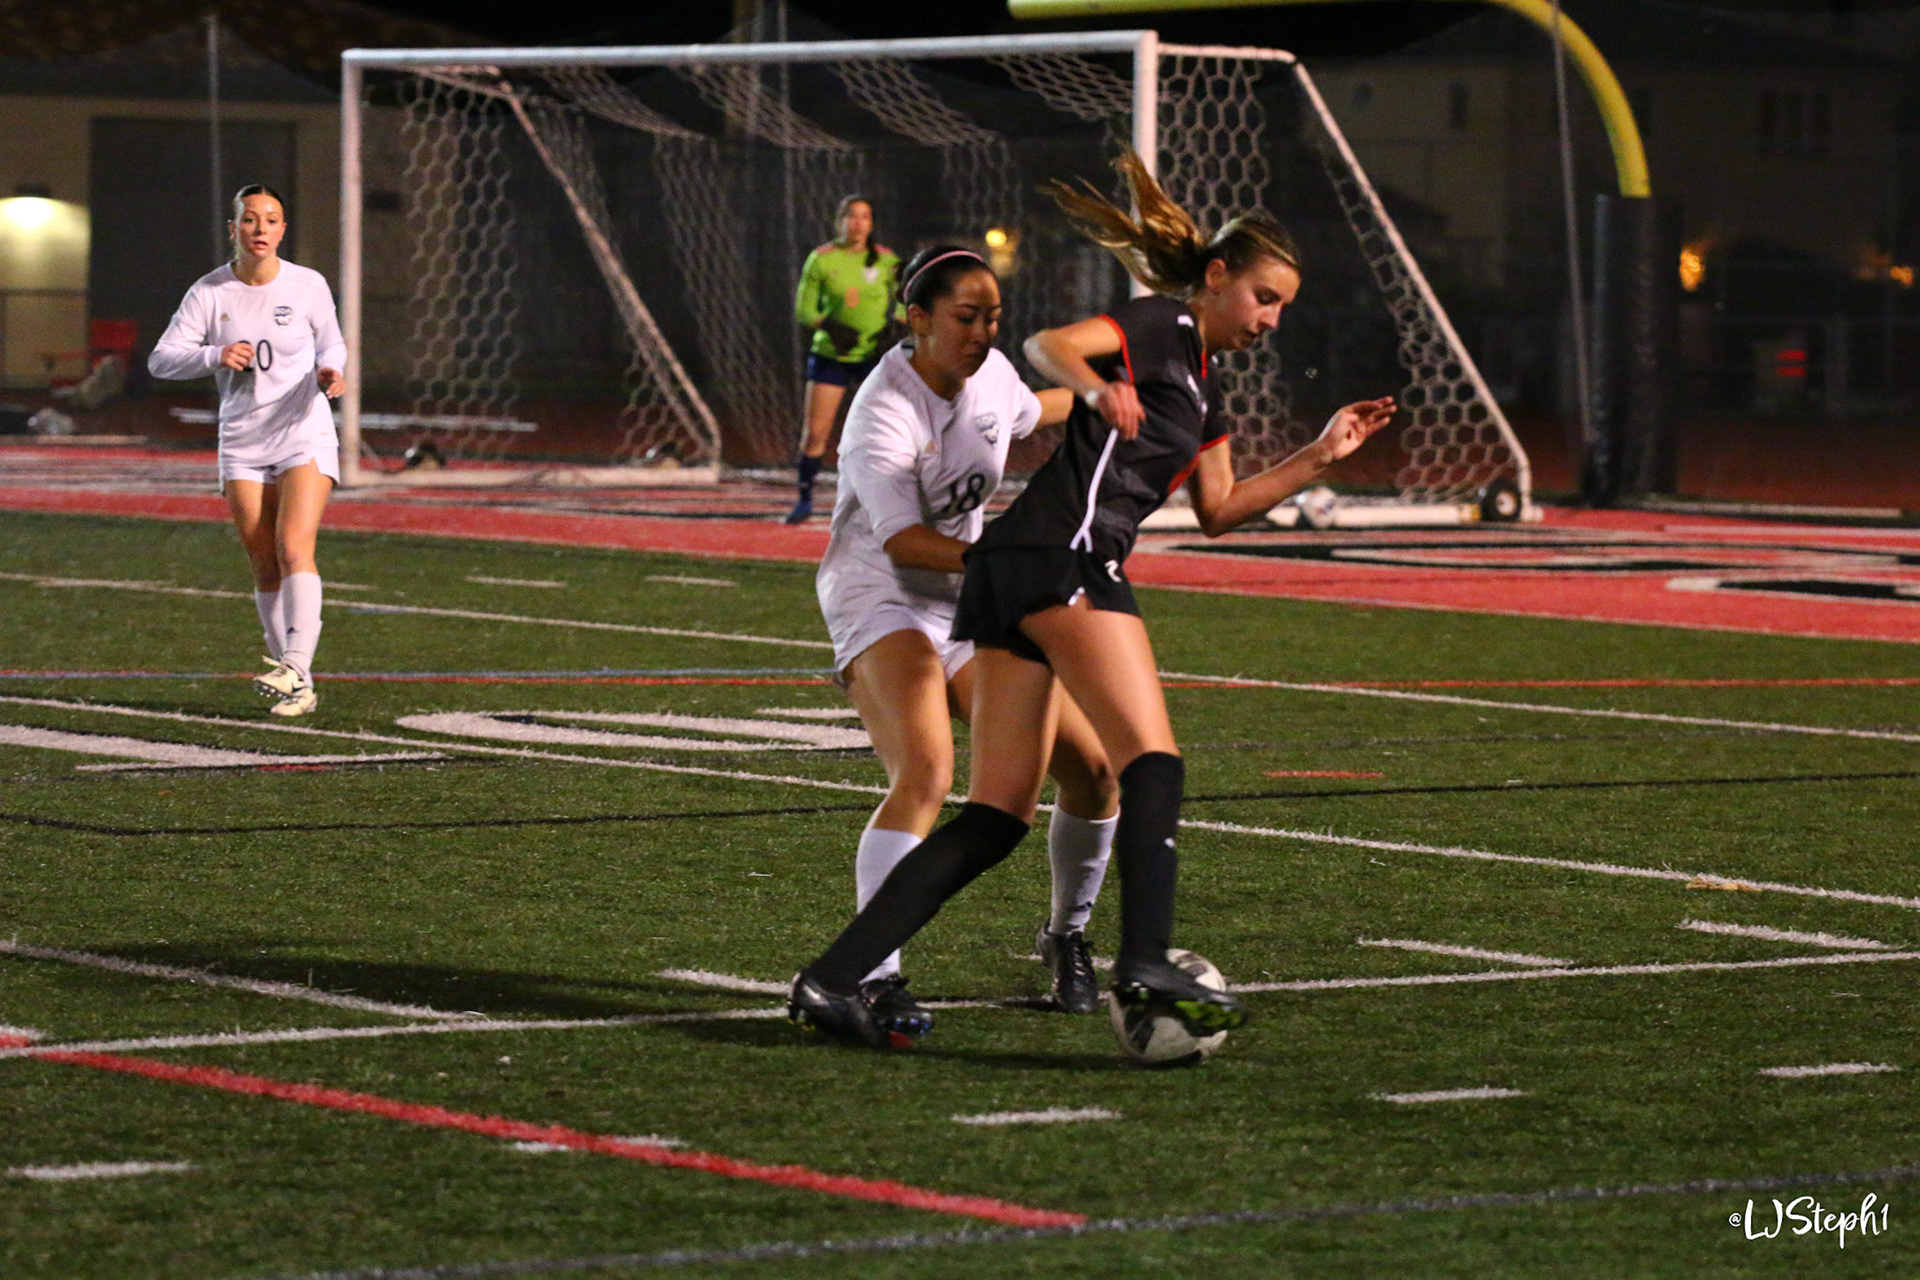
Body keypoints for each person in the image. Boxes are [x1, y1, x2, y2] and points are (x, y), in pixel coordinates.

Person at [788, 150, 1396, 1050]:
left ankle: (835, 976)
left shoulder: (1200, 385)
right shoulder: (1160, 324)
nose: (1270, 320)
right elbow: (1053, 346)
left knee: (1002, 814)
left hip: (1006, 574)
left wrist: (1318, 456)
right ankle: (1143, 964)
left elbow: (1220, 510)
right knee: (1152, 760)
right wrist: (1096, 387)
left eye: (1282, 309)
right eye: (1263, 298)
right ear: (1216, 277)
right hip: (1045, 560)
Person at [816, 245, 1121, 1042]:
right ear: (917, 320)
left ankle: (1066, 936)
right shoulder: (883, 410)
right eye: (965, 317)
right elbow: (904, 543)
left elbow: (1033, 410)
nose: (983, 332)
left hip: (968, 595)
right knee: (926, 771)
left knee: (1094, 771)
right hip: (882, 594)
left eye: (993, 317)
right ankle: (872, 977)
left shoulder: (990, 375)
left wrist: (1110, 394)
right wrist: (1012, 559)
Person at [149, 184, 346, 717]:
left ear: (283, 230)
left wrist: (332, 369)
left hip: (303, 430)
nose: (261, 228)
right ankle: (298, 685)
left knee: (293, 546)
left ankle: (295, 664)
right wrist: (213, 354)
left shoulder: (307, 284)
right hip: (242, 439)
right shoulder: (209, 292)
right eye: (251, 219)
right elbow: (161, 359)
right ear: (233, 228)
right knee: (263, 564)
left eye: (272, 219)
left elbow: (331, 340)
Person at [787, 195, 900, 525]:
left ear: (872, 224)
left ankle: (886, 501)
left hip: (873, 358)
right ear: (839, 221)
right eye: (851, 216)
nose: (858, 223)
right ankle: (804, 499)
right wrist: (830, 327)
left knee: (884, 432)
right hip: (831, 356)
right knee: (816, 434)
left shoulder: (886, 260)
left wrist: (896, 326)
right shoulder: (822, 259)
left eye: (865, 217)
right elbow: (804, 310)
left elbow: (908, 298)